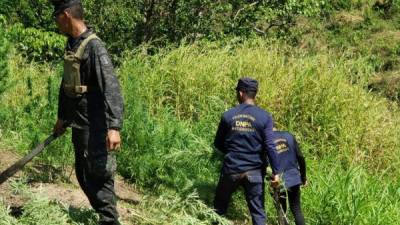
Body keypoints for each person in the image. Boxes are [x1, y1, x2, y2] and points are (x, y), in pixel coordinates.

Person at [50, 1, 124, 224]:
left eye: (56, 17)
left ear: (65, 15)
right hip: (79, 124)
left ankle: (110, 220)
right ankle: (105, 217)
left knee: (99, 177)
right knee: (83, 175)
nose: (56, 23)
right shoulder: (73, 43)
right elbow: (69, 85)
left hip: (96, 126)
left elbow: (110, 87)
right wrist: (63, 117)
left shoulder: (94, 47)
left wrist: (114, 127)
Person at [213, 77, 280, 225]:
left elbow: (218, 144)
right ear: (254, 93)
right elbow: (270, 145)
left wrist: (232, 151)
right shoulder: (265, 117)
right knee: (258, 214)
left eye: (237, 92)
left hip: (232, 169)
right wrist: (276, 172)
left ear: (242, 93)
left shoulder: (228, 115)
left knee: (219, 209)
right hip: (254, 172)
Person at [273, 129, 307, 225]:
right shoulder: (288, 135)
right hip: (294, 177)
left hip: (278, 180)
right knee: (296, 209)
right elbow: (301, 157)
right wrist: (303, 177)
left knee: (281, 211)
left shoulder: (267, 140)